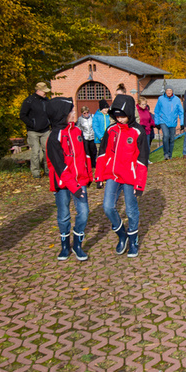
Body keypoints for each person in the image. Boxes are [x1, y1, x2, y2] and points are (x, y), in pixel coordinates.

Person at [95, 94, 149, 258]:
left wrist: (139, 185)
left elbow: (142, 161)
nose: (119, 118)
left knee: (131, 210)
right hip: (112, 175)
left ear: (130, 113)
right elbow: (102, 153)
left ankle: (133, 240)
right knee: (108, 206)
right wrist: (98, 176)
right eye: (116, 115)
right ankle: (122, 235)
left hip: (130, 178)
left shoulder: (138, 132)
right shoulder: (110, 130)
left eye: (122, 115)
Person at [46, 97, 92, 261]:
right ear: (61, 114)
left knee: (84, 212)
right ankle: (65, 245)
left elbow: (85, 156)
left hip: (79, 181)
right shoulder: (53, 138)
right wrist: (75, 187)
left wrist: (88, 176)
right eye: (71, 111)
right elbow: (59, 166)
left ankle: (77, 244)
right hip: (63, 183)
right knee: (64, 214)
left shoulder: (78, 132)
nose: (74, 113)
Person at [20, 82, 51, 178]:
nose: (45, 93)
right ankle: (36, 173)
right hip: (33, 131)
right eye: (44, 91)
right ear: (38, 91)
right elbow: (22, 115)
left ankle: (48, 171)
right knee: (36, 152)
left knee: (47, 151)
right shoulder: (29, 101)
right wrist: (32, 124)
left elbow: (50, 113)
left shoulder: (46, 100)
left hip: (45, 130)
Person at [154, 86, 183, 160]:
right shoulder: (161, 99)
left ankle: (170, 154)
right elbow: (156, 111)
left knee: (172, 139)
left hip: (173, 122)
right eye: (167, 90)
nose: (169, 92)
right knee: (166, 136)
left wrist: (182, 123)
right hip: (163, 121)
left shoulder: (176, 100)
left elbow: (181, 112)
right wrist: (156, 122)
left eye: (170, 90)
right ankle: (166, 154)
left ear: (172, 91)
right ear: (165, 92)